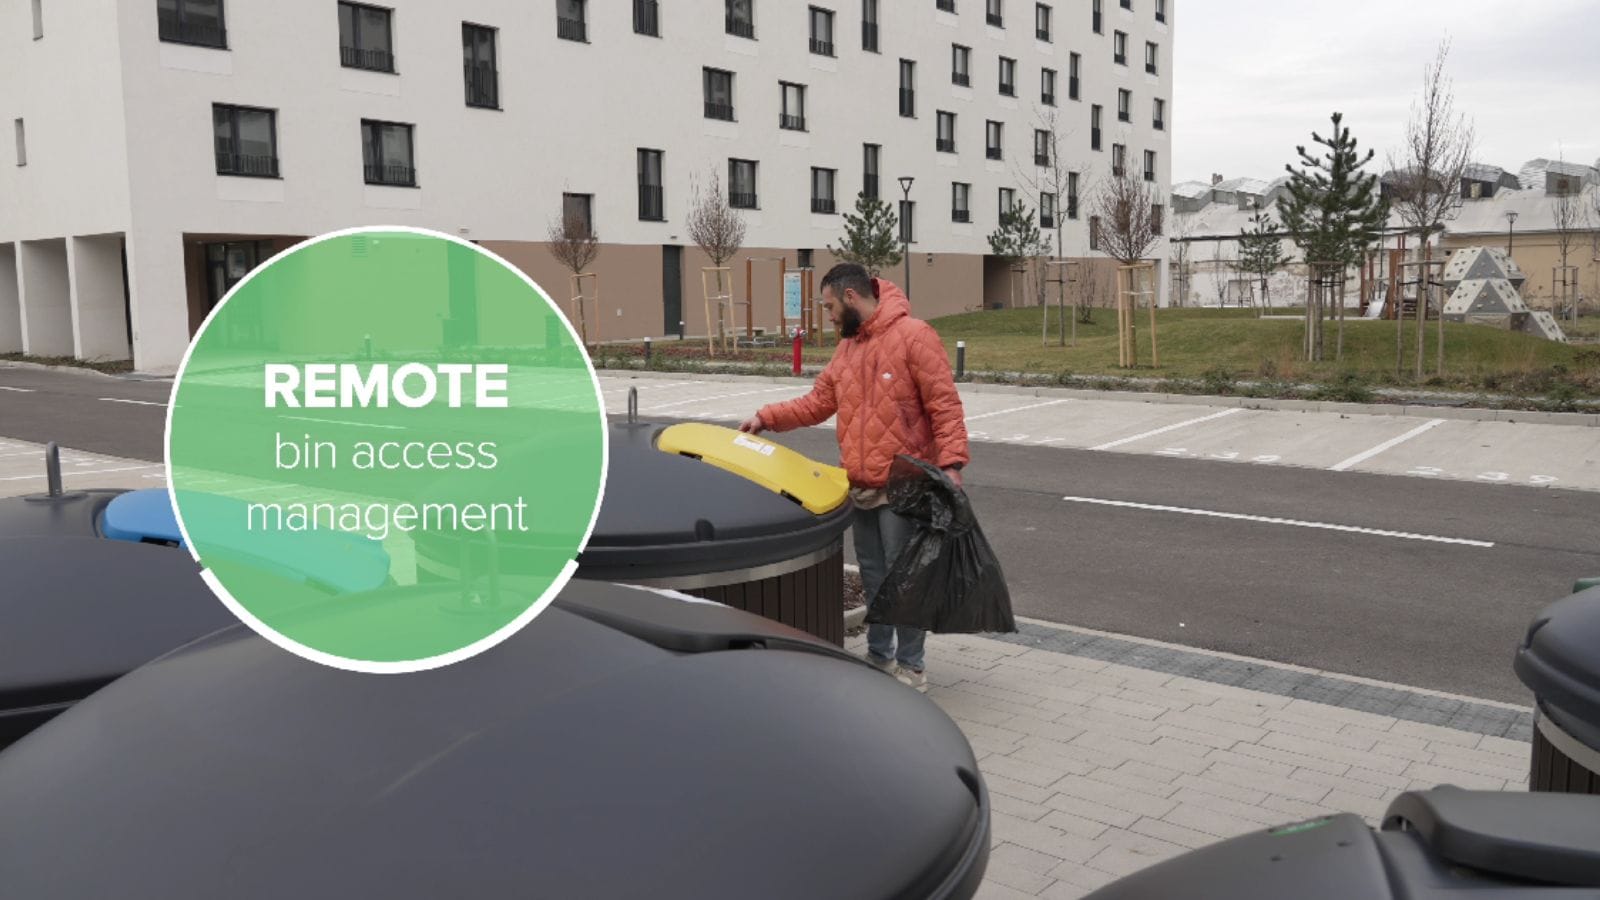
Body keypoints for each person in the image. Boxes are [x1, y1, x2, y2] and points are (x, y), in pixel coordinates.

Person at [739, 263, 968, 692]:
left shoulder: (914, 337)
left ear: (850, 298)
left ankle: (912, 666)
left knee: (906, 577)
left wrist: (952, 464)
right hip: (860, 485)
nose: (827, 317)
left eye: (828, 307)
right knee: (874, 575)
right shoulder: (848, 350)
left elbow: (945, 405)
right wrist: (765, 417)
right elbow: (817, 402)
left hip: (904, 486)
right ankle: (879, 657)